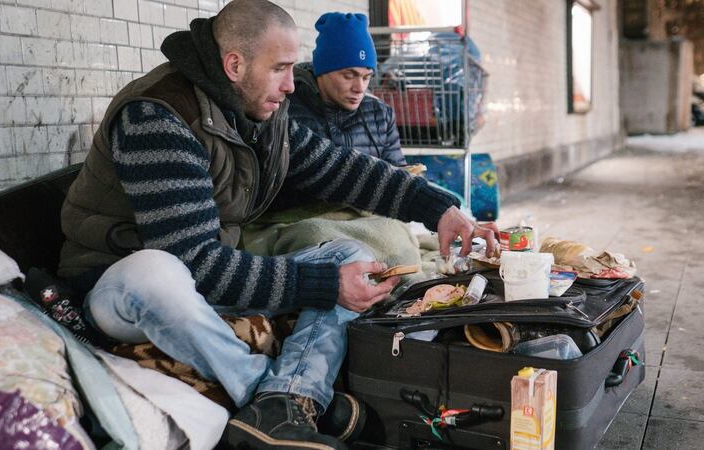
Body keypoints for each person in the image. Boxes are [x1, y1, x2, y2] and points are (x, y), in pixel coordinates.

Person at [56, 1, 496, 449]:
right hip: (119, 286)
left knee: (353, 256)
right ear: (234, 64)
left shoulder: (260, 112)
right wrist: (323, 284)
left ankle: (289, 398)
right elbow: (195, 266)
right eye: (281, 68)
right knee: (156, 271)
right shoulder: (159, 117)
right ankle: (268, 395)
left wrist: (440, 208)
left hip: (200, 276)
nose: (291, 85)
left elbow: (344, 169)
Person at [288, 12, 404, 166]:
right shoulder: (285, 109)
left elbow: (399, 176)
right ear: (322, 71)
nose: (360, 88)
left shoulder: (380, 115)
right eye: (349, 76)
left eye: (366, 77)